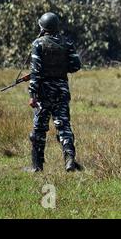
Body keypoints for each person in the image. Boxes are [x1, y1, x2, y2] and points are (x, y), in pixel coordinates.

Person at [27, 12, 82, 172]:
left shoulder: (38, 43)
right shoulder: (67, 43)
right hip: (61, 91)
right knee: (64, 126)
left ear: (42, 27)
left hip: (44, 93)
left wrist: (32, 95)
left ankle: (37, 166)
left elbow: (35, 71)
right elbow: (75, 66)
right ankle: (70, 160)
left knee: (39, 129)